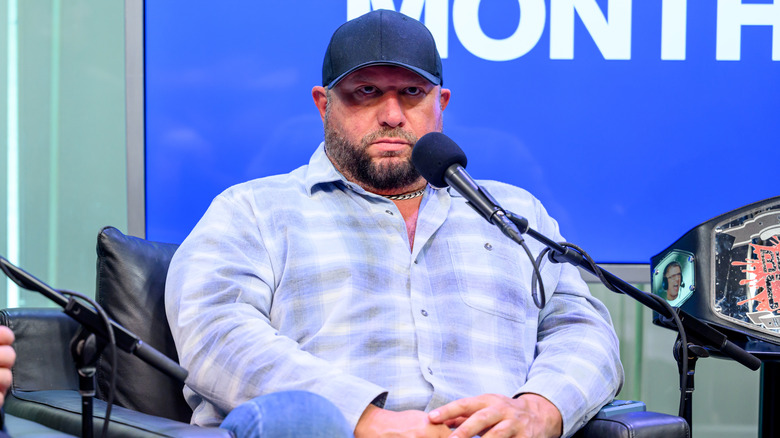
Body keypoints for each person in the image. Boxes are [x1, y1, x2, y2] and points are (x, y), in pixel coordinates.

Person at [165, 9, 623, 438]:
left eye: (411, 93)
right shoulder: (253, 210)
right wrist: (367, 419)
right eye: (366, 92)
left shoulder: (512, 214)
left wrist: (539, 409)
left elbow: (581, 328)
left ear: (440, 103)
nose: (391, 115)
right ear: (323, 105)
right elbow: (214, 330)